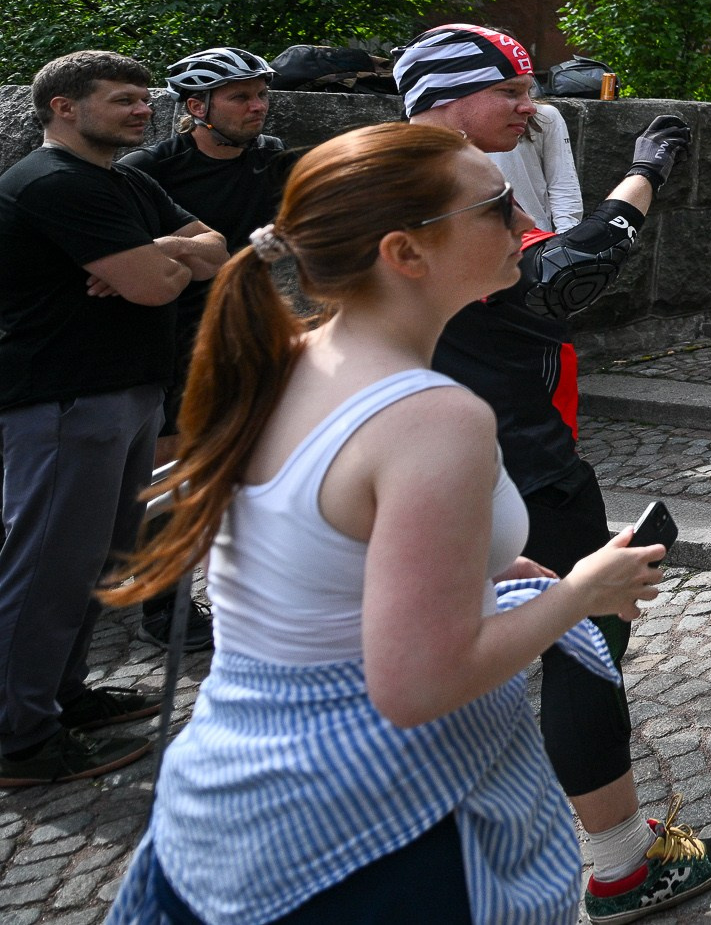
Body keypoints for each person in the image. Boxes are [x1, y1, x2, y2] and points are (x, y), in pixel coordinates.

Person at [99, 122, 664, 924]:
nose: (523, 224)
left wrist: (485, 569)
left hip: (222, 801)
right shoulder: (433, 417)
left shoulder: (278, 357)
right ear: (406, 252)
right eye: (499, 206)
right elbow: (418, 687)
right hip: (376, 834)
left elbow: (314, 546)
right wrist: (580, 591)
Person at [395, 24, 711, 920]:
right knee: (585, 652)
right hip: (511, 463)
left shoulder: (394, 173)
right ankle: (621, 867)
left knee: (520, 648)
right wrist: (645, 176)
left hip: (453, 451)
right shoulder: (435, 185)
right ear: (440, 100)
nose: (530, 104)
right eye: (508, 90)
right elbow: (564, 278)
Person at [0, 52, 228, 789]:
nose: (142, 110)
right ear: (64, 107)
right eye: (123, 99)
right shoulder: (52, 183)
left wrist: (158, 248)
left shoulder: (126, 180)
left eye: (143, 98)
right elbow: (159, 288)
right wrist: (163, 259)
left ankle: (64, 696)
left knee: (97, 562)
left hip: (124, 395)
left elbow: (216, 248)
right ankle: (18, 738)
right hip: (66, 400)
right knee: (46, 569)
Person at [119, 46, 289, 648]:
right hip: (170, 338)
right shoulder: (148, 168)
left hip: (243, 328)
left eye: (261, 95)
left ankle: (248, 589)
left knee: (246, 462)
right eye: (241, 97)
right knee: (171, 472)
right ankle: (163, 612)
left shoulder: (268, 160)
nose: (257, 107)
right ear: (197, 106)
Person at [498, 99, 586, 233]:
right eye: (510, 90)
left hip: (532, 239)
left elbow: (563, 183)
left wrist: (566, 237)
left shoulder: (545, 116)